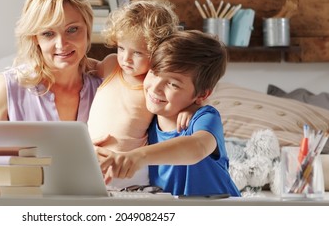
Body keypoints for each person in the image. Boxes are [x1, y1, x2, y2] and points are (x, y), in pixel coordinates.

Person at [97, 30, 241, 197]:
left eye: (173, 84)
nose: (155, 88)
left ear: (202, 95)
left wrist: (138, 157)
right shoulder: (146, 118)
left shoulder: (204, 117)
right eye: (154, 72)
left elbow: (198, 147)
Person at [88, 0, 195, 190]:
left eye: (137, 52)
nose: (126, 59)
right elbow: (85, 66)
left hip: (129, 167)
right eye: (121, 48)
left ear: (158, 53)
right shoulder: (112, 65)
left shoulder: (156, 84)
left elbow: (189, 93)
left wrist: (193, 108)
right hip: (91, 157)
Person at [0, 0, 102, 122]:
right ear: (34, 37)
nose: (61, 44)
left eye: (72, 29)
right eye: (48, 33)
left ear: (87, 28)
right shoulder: (5, 89)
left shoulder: (105, 85)